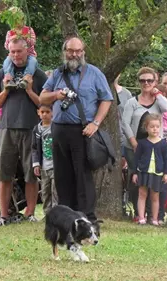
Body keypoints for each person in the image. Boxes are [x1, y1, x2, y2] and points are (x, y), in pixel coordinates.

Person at [39, 36, 113, 223]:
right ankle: (66, 215)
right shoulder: (57, 74)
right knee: (62, 175)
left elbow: (107, 99)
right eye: (71, 51)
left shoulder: (94, 73)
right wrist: (57, 95)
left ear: (83, 52)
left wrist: (95, 123)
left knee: (82, 174)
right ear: (65, 52)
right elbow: (42, 98)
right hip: (59, 129)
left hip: (83, 130)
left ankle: (87, 216)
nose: (74, 55)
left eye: (78, 51)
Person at [0, 38, 47, 226]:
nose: (16, 55)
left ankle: (30, 213)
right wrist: (6, 90)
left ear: (27, 51)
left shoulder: (38, 75)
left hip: (31, 128)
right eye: (12, 52)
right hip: (6, 128)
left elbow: (45, 104)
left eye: (19, 52)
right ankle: (4, 216)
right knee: (4, 173)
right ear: (9, 53)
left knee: (32, 173)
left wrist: (29, 90)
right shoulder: (2, 73)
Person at [121, 67, 167, 222]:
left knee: (156, 182)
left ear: (155, 81)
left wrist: (157, 93)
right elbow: (125, 123)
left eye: (150, 80)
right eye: (143, 80)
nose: (146, 83)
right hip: (135, 147)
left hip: (156, 147)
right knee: (138, 180)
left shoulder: (158, 101)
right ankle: (139, 214)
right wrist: (134, 142)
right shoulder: (131, 102)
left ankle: (156, 216)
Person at [131, 114, 167, 226]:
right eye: (152, 126)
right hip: (143, 172)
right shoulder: (142, 143)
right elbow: (136, 158)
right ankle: (141, 217)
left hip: (157, 173)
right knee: (142, 193)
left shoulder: (163, 143)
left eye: (157, 126)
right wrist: (135, 173)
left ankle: (154, 218)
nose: (155, 129)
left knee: (155, 196)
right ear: (146, 128)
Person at [2, 7, 38, 90]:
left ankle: (26, 78)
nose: (17, 23)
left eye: (19, 20)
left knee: (33, 62)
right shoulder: (10, 32)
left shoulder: (28, 30)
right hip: (13, 56)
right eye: (14, 21)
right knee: (7, 61)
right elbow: (6, 46)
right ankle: (9, 78)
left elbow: (33, 42)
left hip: (29, 54)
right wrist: (12, 38)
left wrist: (24, 37)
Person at [32, 104, 57, 215]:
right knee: (45, 192)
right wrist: (36, 164)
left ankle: (57, 213)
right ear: (38, 112)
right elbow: (34, 148)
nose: (45, 114)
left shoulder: (56, 127)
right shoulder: (37, 129)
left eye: (47, 112)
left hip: (56, 166)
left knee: (55, 191)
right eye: (42, 112)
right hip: (44, 167)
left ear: (52, 112)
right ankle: (47, 214)